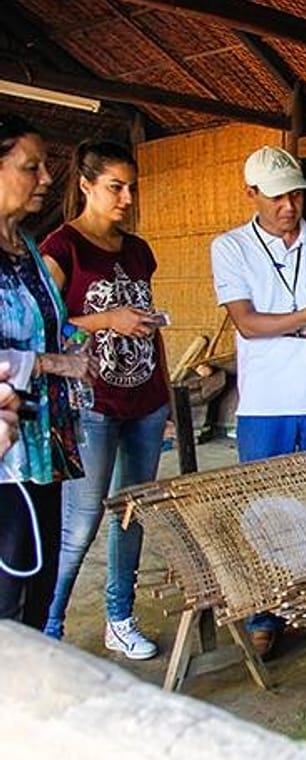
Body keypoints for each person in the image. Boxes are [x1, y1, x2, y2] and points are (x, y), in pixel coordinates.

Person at [210, 145, 306, 656]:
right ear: (250, 194)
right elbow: (248, 324)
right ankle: (264, 612)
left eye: (296, 195)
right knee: (264, 511)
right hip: (264, 406)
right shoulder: (230, 248)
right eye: (277, 197)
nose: (289, 206)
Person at [39, 140, 171, 658]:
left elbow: (142, 309)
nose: (127, 197)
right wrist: (107, 320)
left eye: (131, 187)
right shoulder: (61, 248)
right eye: (115, 187)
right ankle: (48, 628)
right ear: (87, 185)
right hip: (91, 404)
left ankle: (119, 617)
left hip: (147, 398)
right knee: (80, 523)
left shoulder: (138, 250)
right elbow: (46, 325)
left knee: (131, 513)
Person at [0, 114, 93, 630]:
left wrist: (82, 345)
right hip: (5, 455)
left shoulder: (28, 249)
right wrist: (52, 363)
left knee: (38, 589)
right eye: (30, 167)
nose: (46, 179)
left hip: (45, 444)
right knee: (6, 598)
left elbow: (47, 326)